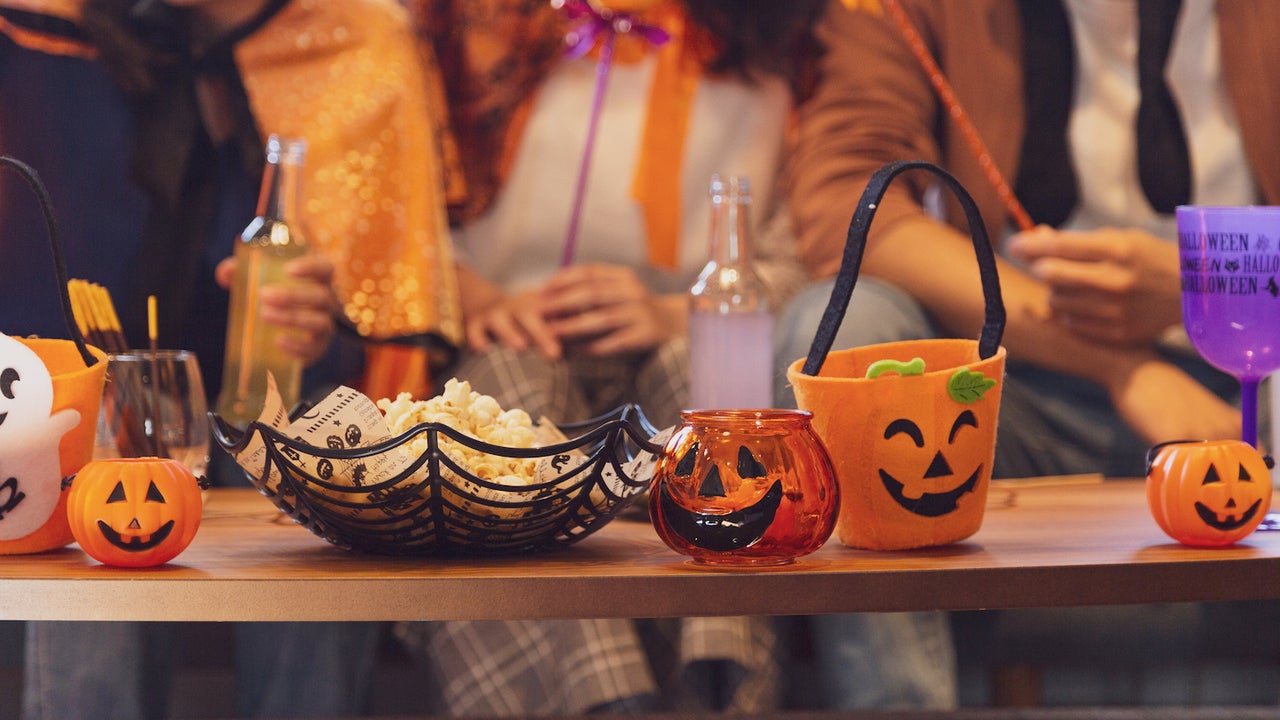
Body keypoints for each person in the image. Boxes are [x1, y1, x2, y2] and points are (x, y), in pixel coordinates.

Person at [394, 0, 958, 714]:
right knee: (508, 401)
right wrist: (470, 294)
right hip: (500, 344)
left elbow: (811, 260)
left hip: (687, 341)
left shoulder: (781, 51)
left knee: (712, 407)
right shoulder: (466, 29)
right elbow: (392, 208)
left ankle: (722, 686)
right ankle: (604, 703)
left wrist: (681, 310)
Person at [779, 0, 1280, 706]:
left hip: (1254, 376)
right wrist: (1117, 364)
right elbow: (848, 207)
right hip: (1008, 393)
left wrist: (1197, 286)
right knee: (846, 330)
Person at [0, 0, 462, 716]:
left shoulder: (353, 38)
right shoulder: (35, 30)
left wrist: (324, 328)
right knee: (94, 464)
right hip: (94, 406)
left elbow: (385, 323)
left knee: (327, 453)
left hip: (283, 406)